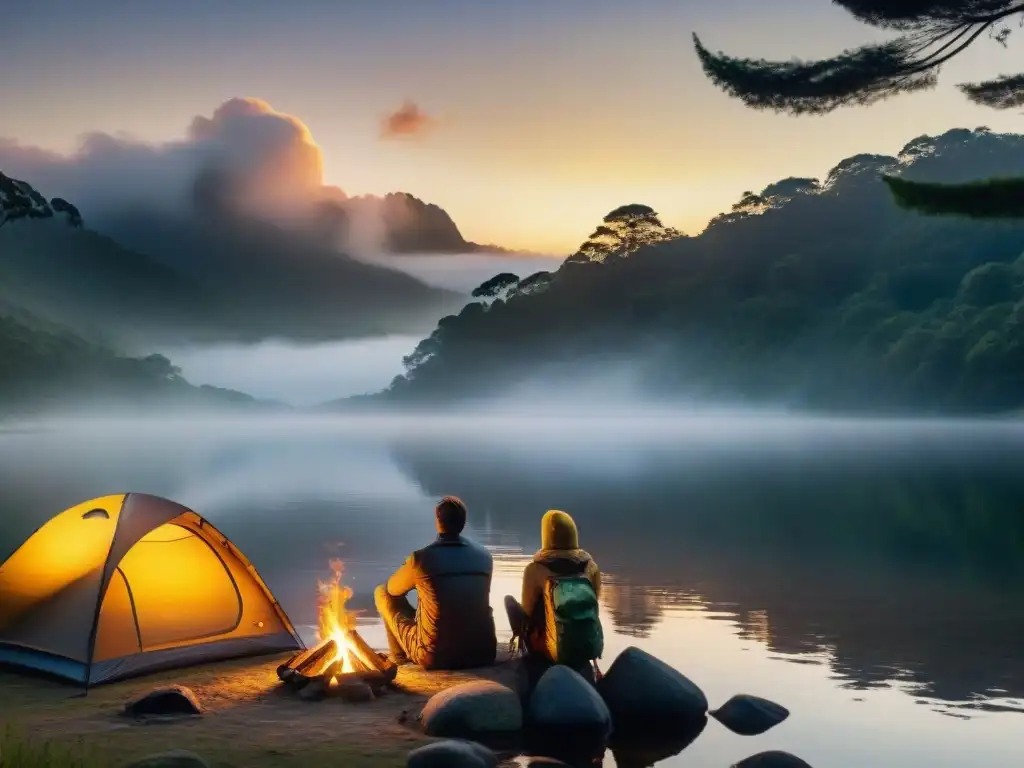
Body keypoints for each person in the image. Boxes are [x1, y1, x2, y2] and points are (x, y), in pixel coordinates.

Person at [374, 496, 497, 670]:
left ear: (438, 521)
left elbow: (392, 590)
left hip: (436, 656)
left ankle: (401, 659)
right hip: (483, 652)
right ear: (463, 522)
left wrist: (409, 568)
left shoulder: (421, 559)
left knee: (381, 593)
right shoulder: (485, 557)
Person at [505, 509, 603, 677]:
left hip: (548, 646)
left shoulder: (535, 569)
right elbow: (595, 604)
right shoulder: (590, 566)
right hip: (587, 642)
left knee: (510, 602)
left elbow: (527, 612)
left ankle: (530, 658)